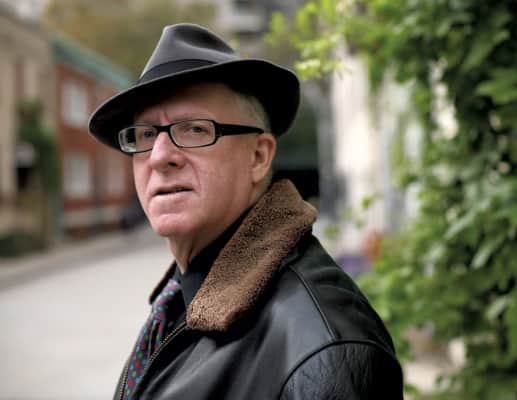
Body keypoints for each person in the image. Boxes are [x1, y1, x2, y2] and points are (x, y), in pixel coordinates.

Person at [88, 23, 404, 400]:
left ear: (258, 156)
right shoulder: (178, 300)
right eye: (145, 134)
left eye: (193, 130)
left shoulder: (325, 349)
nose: (159, 157)